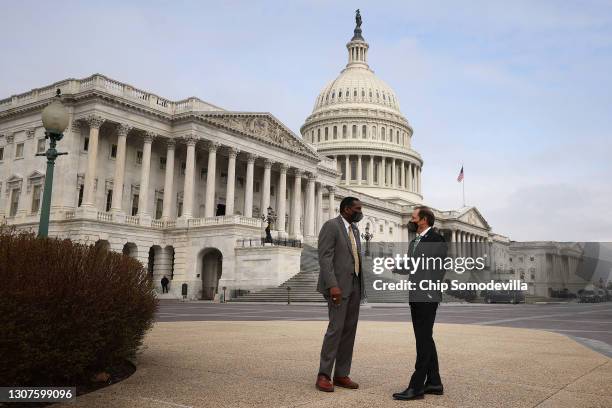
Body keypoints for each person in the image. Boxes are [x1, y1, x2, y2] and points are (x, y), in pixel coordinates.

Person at [393, 206, 447, 401]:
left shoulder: (436, 239)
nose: (411, 220)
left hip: (427, 295)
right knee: (425, 337)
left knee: (423, 340)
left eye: (414, 217)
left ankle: (416, 386)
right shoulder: (415, 241)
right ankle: (434, 382)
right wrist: (397, 267)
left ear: (424, 219)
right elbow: (412, 265)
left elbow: (437, 269)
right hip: (415, 295)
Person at [315, 197, 365, 392]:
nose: (360, 212)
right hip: (338, 286)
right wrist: (333, 286)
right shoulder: (331, 226)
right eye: (357, 209)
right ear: (346, 209)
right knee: (335, 329)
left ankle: (342, 373)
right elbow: (325, 258)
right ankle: (324, 374)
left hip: (355, 286)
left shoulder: (355, 230)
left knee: (349, 331)